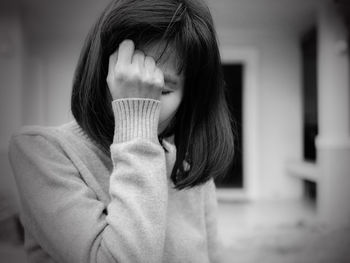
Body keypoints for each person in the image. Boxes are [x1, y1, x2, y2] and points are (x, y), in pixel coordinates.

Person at [8, 0, 234, 262]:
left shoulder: (187, 164)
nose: (145, 98)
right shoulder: (41, 151)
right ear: (100, 73)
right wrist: (137, 122)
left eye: (162, 90)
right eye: (129, 81)